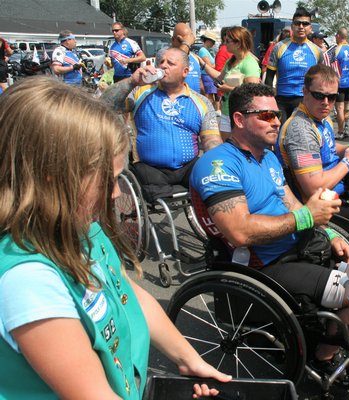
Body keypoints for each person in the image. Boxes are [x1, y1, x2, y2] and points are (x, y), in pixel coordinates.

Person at [0, 76, 231, 399]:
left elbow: (129, 294)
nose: (117, 193)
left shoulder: (81, 227)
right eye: (107, 180)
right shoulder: (29, 281)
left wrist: (190, 360)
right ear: (53, 178)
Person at [190, 82, 349, 375]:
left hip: (300, 248)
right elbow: (239, 232)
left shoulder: (269, 158)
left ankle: (329, 332)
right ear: (239, 120)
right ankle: (323, 354)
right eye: (265, 115)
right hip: (266, 265)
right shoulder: (217, 165)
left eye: (276, 114)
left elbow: (293, 205)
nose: (277, 121)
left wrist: (328, 234)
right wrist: (307, 218)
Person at [276, 64, 349, 239]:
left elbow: (328, 148)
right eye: (319, 95)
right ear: (305, 92)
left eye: (332, 97)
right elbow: (313, 187)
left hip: (341, 187)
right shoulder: (301, 129)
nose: (326, 103)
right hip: (322, 201)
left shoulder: (319, 117)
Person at [102, 48, 222, 203]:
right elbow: (105, 104)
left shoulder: (201, 102)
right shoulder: (141, 92)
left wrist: (218, 166)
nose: (163, 66)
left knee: (214, 186)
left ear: (185, 71)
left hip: (187, 167)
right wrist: (132, 81)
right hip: (150, 168)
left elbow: (212, 140)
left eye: (170, 63)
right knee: (155, 194)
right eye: (161, 62)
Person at [198, 26, 261, 139]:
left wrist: (228, 89)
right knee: (227, 145)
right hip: (227, 110)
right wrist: (203, 65)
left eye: (227, 41)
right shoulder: (231, 61)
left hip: (242, 113)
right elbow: (219, 76)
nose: (224, 44)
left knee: (239, 146)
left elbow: (253, 90)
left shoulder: (249, 63)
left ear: (238, 43)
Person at [265, 7, 324, 123]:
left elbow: (320, 79)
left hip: (305, 101)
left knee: (301, 136)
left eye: (305, 24)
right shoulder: (279, 47)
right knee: (280, 135)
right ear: (292, 26)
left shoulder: (317, 51)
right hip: (281, 100)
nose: (301, 26)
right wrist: (269, 100)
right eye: (297, 23)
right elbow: (269, 77)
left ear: (310, 28)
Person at [332, 28, 349, 139]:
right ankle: (345, 128)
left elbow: (331, 67)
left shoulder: (336, 50)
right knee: (347, 106)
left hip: (339, 83)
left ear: (338, 36)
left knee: (339, 108)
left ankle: (341, 131)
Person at [171, 23, 203, 94]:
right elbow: (176, 60)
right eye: (181, 41)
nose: (185, 44)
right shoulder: (164, 56)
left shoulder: (195, 58)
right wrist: (186, 43)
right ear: (173, 40)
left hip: (194, 101)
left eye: (188, 41)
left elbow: (200, 83)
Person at [198, 32, 218, 108]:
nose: (213, 44)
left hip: (208, 76)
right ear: (208, 40)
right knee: (209, 97)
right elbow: (208, 66)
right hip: (207, 76)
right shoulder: (203, 50)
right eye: (213, 42)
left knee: (210, 97)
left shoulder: (206, 50)